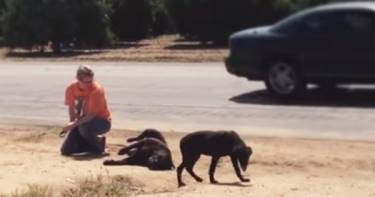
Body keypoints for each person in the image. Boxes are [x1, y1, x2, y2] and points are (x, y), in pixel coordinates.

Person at [60, 65, 112, 156]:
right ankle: (88, 145)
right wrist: (71, 123)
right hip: (83, 121)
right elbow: (71, 108)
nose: (89, 84)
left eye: (91, 81)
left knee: (83, 127)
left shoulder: (96, 90)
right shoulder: (71, 88)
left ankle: (99, 146)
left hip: (102, 122)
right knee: (66, 151)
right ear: (78, 79)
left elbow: (91, 115)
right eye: (86, 82)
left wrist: (74, 124)